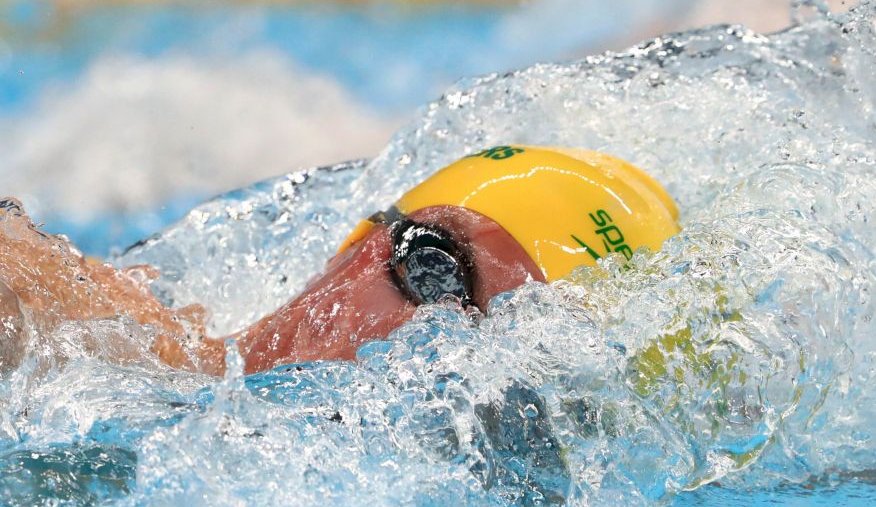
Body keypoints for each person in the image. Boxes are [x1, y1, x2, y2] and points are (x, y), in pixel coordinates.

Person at [0, 146, 681, 378]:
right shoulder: (55, 314)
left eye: (489, 345)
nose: (427, 343)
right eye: (436, 273)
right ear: (364, 243)